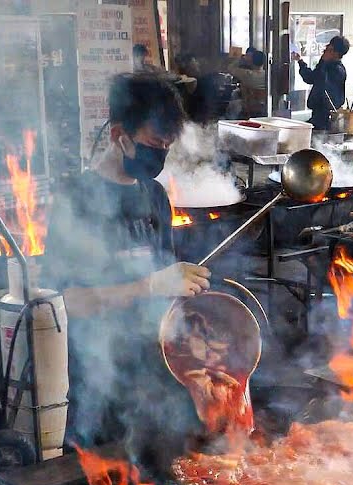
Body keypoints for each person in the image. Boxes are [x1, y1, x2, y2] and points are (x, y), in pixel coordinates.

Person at [44, 73, 210, 454]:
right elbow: (65, 302)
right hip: (97, 379)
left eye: (167, 146)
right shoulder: (76, 199)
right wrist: (147, 286)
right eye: (153, 144)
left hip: (155, 378)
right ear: (120, 134)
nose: (160, 155)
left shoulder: (155, 195)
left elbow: (168, 290)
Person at [294, 36, 350, 131]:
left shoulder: (336, 70)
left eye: (328, 49)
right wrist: (301, 62)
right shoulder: (327, 66)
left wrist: (322, 62)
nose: (324, 51)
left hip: (326, 116)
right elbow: (311, 77)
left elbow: (317, 80)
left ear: (335, 53)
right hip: (318, 113)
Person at [234, 48, 268, 118]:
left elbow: (230, 68)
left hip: (248, 108)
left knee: (233, 104)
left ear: (251, 61)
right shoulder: (268, 76)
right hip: (264, 109)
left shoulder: (246, 74)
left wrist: (240, 59)